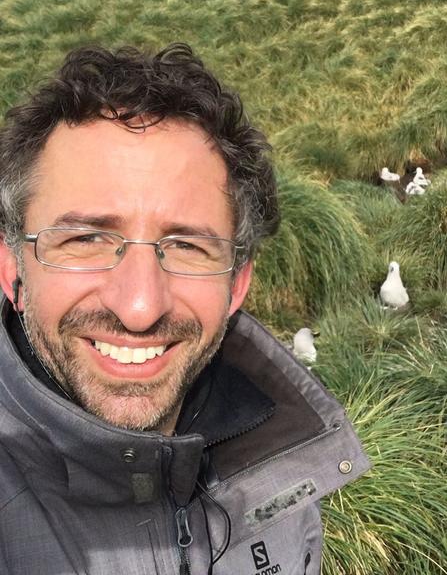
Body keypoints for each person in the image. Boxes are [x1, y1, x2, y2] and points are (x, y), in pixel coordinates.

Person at [0, 43, 369, 574]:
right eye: (86, 239)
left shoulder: (283, 468)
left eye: (188, 247)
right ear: (12, 270)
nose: (140, 306)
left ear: (237, 285)